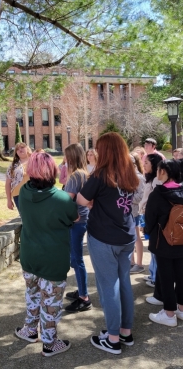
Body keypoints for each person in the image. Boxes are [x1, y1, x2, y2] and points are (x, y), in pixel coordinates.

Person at [76, 132, 139, 355]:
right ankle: (125, 332)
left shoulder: (100, 175)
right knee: (123, 284)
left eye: (99, 148)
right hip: (126, 236)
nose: (96, 151)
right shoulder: (129, 171)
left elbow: (81, 200)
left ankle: (112, 339)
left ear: (106, 150)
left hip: (104, 238)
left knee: (108, 286)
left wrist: (95, 202)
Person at [15, 152, 78, 357]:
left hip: (29, 255)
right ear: (53, 171)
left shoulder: (24, 192)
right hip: (53, 260)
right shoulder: (62, 199)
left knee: (32, 294)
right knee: (51, 303)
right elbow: (74, 218)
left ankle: (30, 330)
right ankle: (50, 343)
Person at [145, 159, 183, 326]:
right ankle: (181, 309)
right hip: (182, 241)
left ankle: (169, 314)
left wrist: (147, 232)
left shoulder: (158, 194)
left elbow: (150, 219)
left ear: (164, 172)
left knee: (166, 277)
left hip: (163, 241)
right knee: (182, 276)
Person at [63, 144, 91, 313]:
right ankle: (82, 291)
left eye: (66, 156)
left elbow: (67, 200)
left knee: (77, 260)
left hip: (76, 222)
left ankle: (84, 298)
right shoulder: (85, 174)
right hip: (82, 220)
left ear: (71, 157)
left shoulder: (75, 176)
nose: (65, 160)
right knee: (76, 259)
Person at [139, 154, 163, 287]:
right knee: (152, 248)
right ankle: (153, 274)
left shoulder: (156, 181)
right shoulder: (149, 179)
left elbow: (153, 201)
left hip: (152, 217)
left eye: (147, 163)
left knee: (155, 248)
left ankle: (156, 278)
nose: (144, 165)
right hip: (146, 215)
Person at [130, 152, 146, 274]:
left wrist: (124, 198)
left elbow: (139, 197)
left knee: (136, 237)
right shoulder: (127, 176)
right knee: (130, 238)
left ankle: (139, 264)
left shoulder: (139, 177)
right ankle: (132, 262)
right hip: (126, 212)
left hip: (134, 212)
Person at [5, 142, 31, 213]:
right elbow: (8, 183)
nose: (20, 150)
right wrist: (9, 200)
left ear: (27, 149)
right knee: (25, 217)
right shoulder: (12, 166)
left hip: (34, 193)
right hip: (18, 195)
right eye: (17, 149)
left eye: (22, 147)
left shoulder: (35, 161)